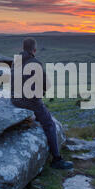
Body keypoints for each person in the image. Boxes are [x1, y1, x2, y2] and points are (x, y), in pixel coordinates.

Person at [11, 37, 73, 170]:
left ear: (23, 48)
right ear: (34, 49)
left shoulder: (15, 61)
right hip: (30, 102)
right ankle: (57, 159)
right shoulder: (36, 63)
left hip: (15, 100)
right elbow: (47, 84)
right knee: (49, 124)